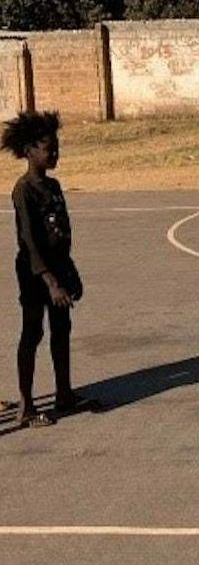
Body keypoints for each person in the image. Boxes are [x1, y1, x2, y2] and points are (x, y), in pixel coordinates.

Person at [4, 111, 96, 428]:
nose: (53, 153)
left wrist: (69, 272)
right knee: (33, 331)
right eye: (47, 148)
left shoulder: (54, 186)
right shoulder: (24, 190)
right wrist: (50, 282)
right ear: (29, 151)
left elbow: (62, 234)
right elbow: (29, 241)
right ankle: (26, 406)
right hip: (34, 273)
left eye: (56, 147)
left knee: (61, 329)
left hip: (58, 269)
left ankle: (65, 394)